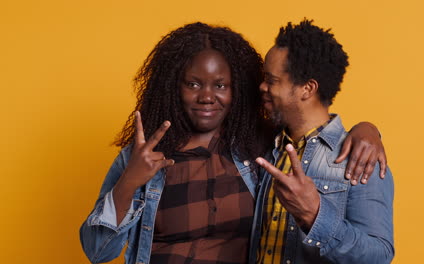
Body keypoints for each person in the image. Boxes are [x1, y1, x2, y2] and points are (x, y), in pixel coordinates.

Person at [80, 22, 386, 264]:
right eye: (193, 84)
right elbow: (98, 252)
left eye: (221, 85)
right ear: (174, 86)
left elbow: (376, 252)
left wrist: (367, 130)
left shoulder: (255, 151)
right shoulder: (141, 158)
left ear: (236, 88)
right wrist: (128, 183)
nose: (207, 96)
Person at [250, 19, 394, 264]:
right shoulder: (266, 146)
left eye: (272, 81)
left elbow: (378, 255)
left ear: (307, 88)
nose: (262, 87)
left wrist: (315, 215)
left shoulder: (360, 158)